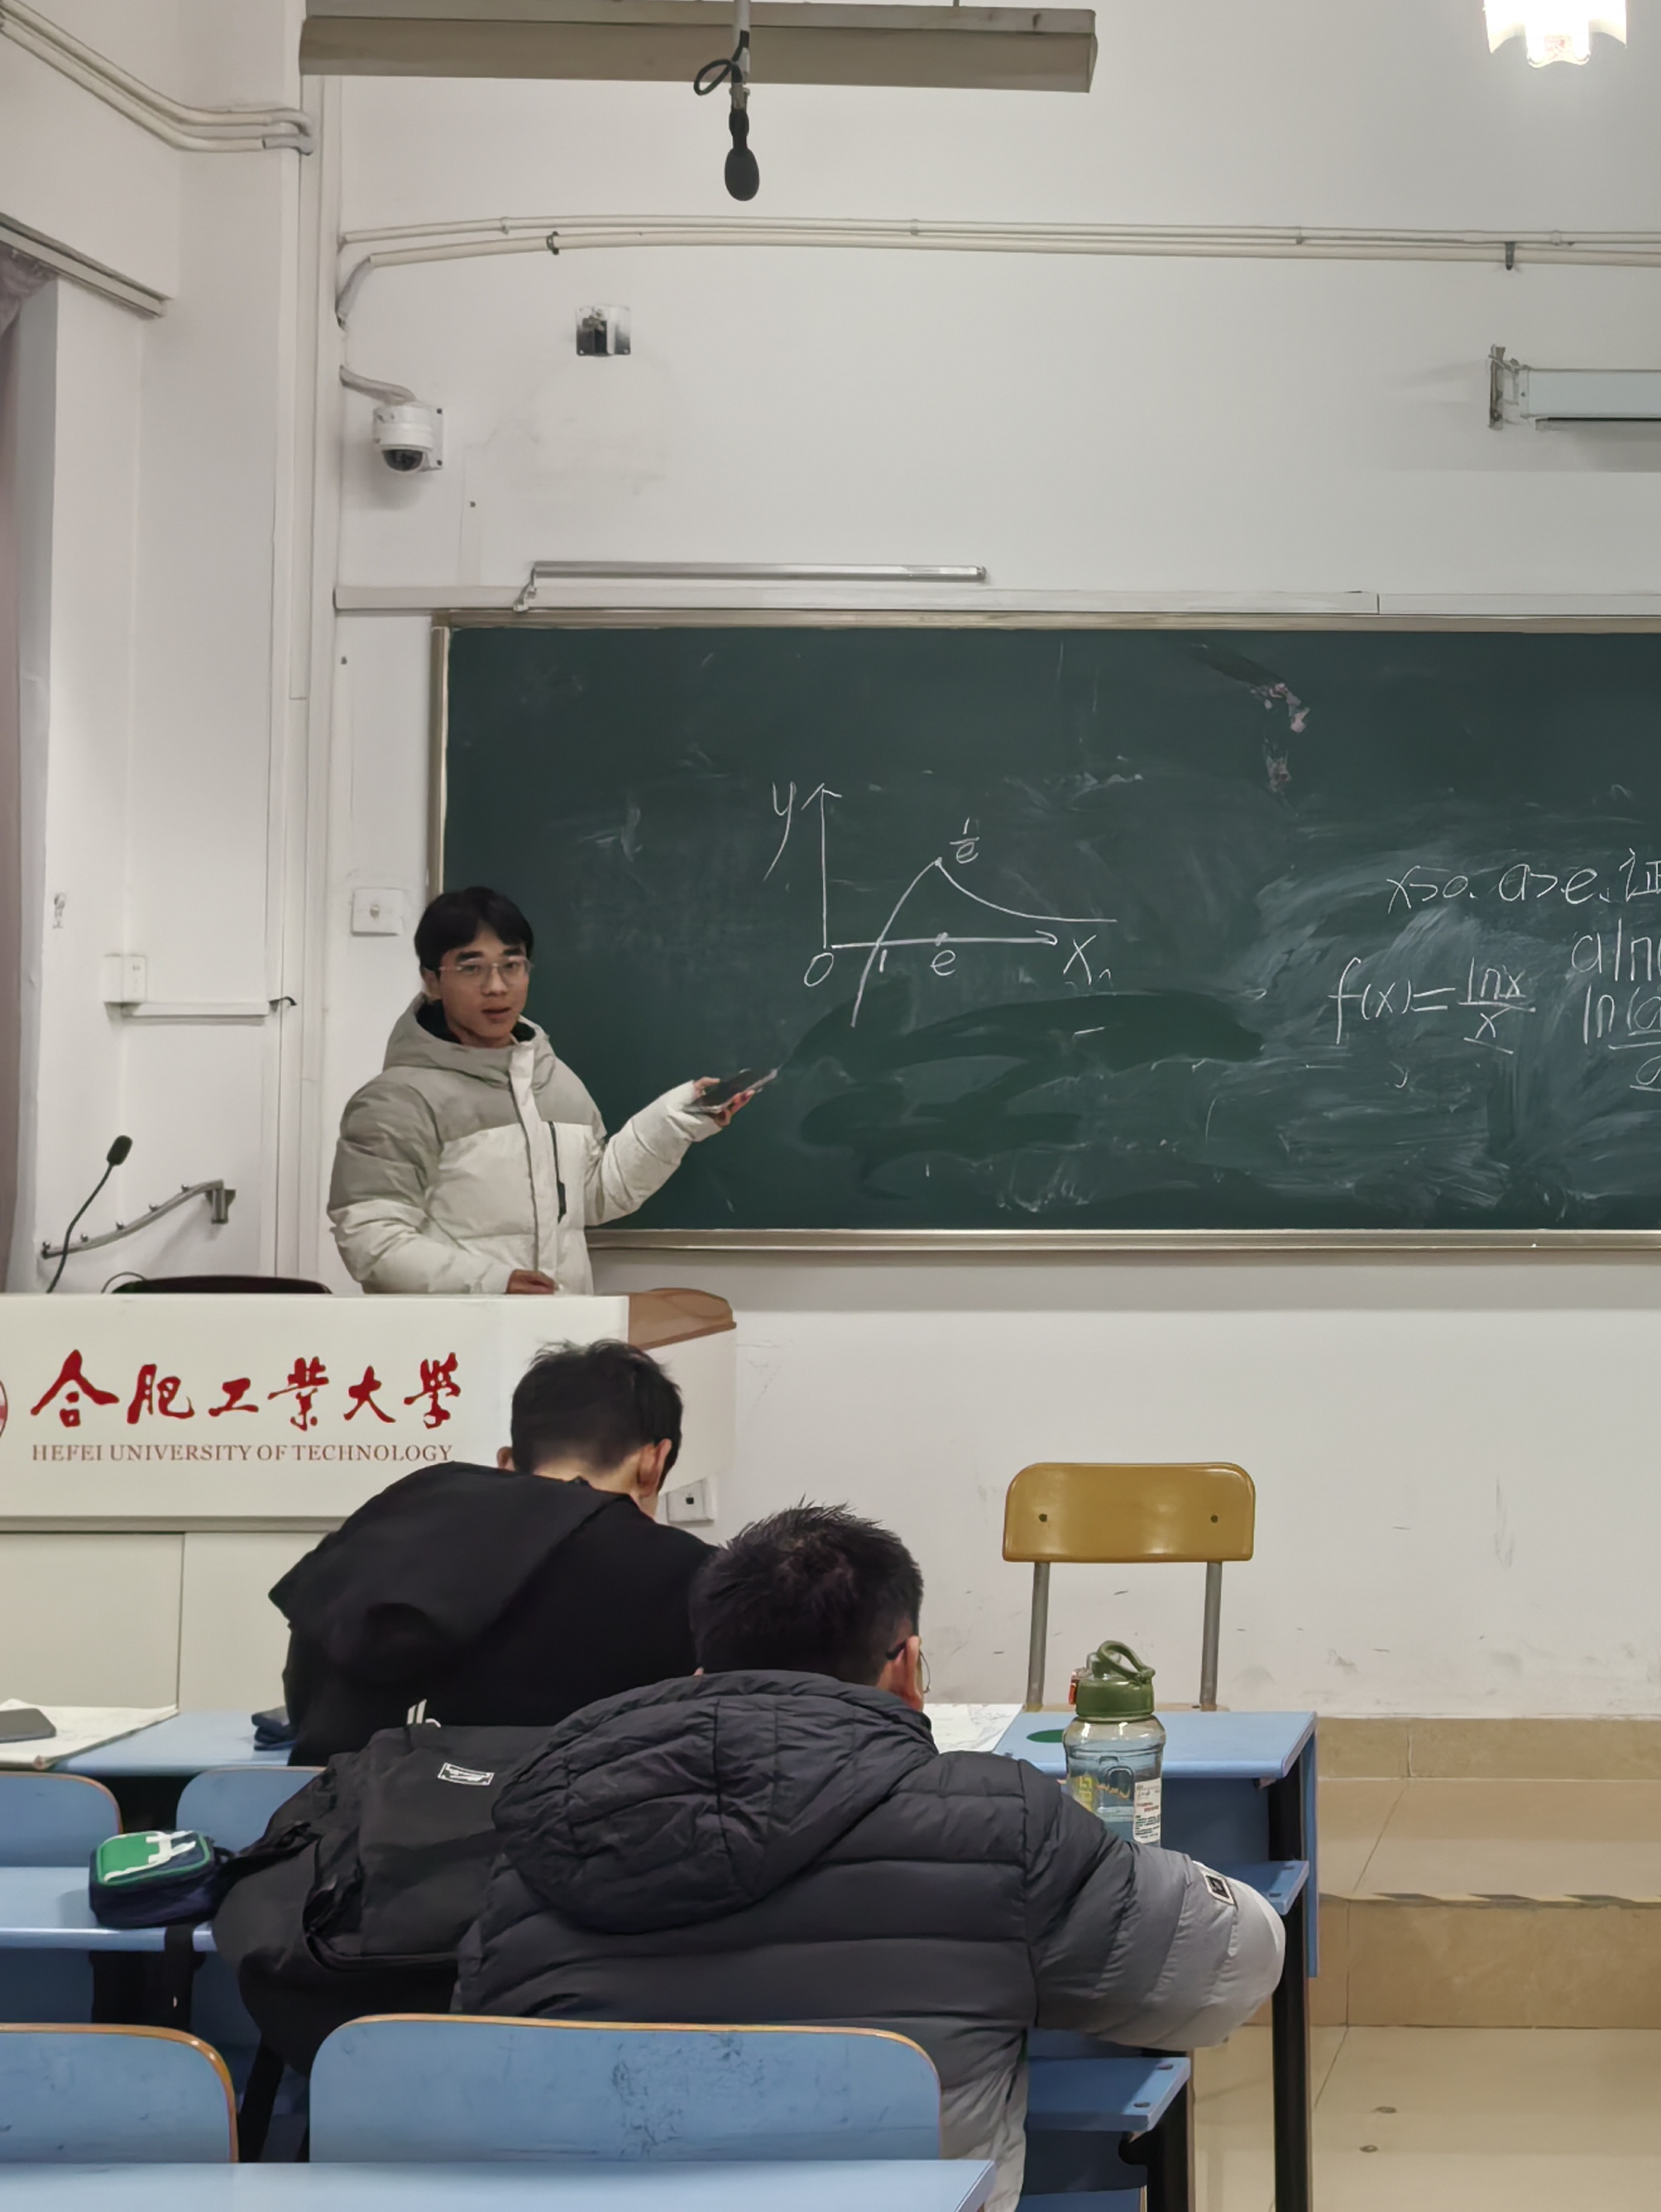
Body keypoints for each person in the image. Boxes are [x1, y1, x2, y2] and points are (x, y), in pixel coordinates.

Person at [455, 1503, 1281, 2212]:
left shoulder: (539, 1833)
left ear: (701, 1675)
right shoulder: (998, 1823)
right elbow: (1227, 1970)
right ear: (908, 1666)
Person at [269, 1340, 713, 1762]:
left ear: (508, 1461)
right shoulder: (686, 1570)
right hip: (581, 1813)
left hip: (356, 1807)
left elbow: (310, 1703)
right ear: (653, 1462)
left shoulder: (405, 1512)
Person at [328, 885, 754, 1295]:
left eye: (511, 965)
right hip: (458, 1336)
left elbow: (594, 1197)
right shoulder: (397, 1101)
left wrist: (675, 1120)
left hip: (557, 1329)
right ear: (432, 981)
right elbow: (371, 1239)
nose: (496, 986)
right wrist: (494, 1282)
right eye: (471, 968)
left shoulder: (552, 1079)